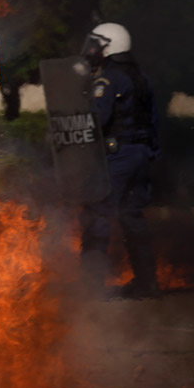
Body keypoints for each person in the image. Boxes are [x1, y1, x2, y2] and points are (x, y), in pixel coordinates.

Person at [79, 22, 160, 298]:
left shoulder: (108, 79)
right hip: (141, 153)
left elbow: (97, 120)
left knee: (98, 213)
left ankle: (90, 286)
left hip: (118, 156)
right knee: (132, 216)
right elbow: (154, 120)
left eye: (97, 44)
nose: (92, 50)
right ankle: (147, 283)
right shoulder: (142, 78)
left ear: (110, 47)